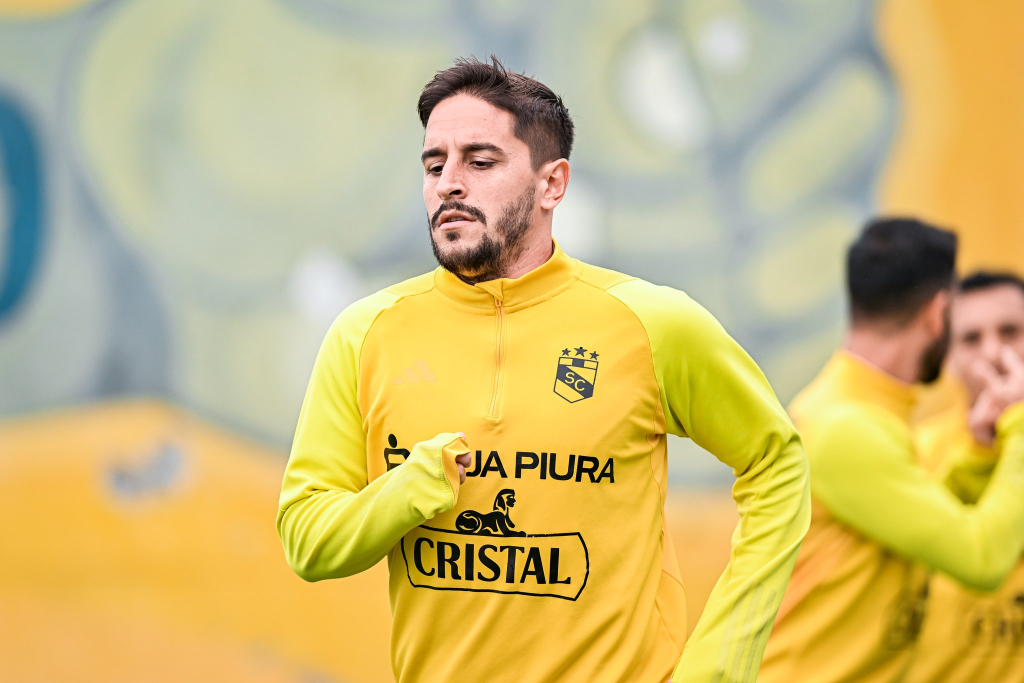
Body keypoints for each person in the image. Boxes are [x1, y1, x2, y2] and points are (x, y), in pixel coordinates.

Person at [275, 56, 811, 683]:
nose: (449, 184)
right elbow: (307, 539)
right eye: (434, 164)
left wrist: (721, 662)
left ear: (551, 184)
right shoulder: (365, 334)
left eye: (480, 162)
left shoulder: (653, 323)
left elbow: (777, 464)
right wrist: (409, 488)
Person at [760, 219, 1024, 683]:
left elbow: (922, 520)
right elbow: (981, 558)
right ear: (938, 312)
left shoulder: (859, 412)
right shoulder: (847, 429)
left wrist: (981, 451)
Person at [907, 272, 1024, 683]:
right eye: (971, 338)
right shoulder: (913, 454)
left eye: (1011, 331)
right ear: (948, 357)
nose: (993, 351)